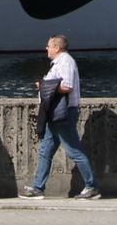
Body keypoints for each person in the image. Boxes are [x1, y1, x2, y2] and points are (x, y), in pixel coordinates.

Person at [21, 34, 100, 200]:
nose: (46, 48)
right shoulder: (59, 63)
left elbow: (67, 86)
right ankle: (38, 188)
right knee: (45, 150)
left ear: (57, 47)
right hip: (55, 113)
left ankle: (92, 186)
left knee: (74, 150)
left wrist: (44, 85)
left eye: (49, 46)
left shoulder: (65, 62)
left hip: (63, 113)